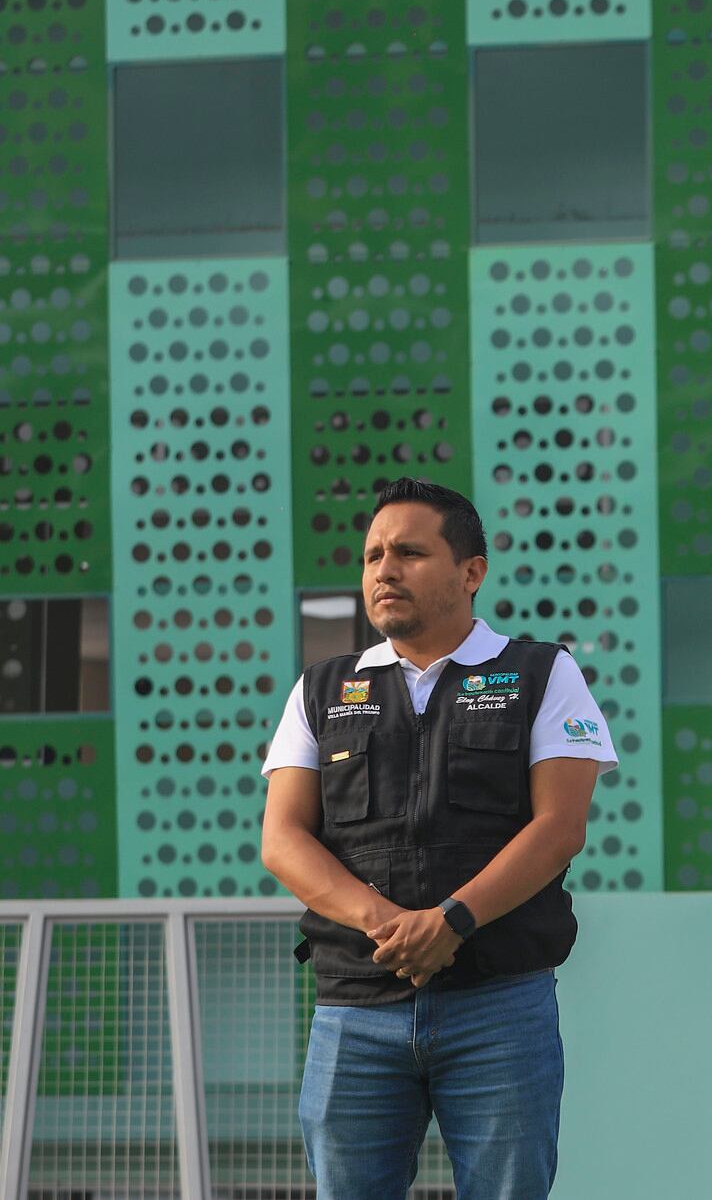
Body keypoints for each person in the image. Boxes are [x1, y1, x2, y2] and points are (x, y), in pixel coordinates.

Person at [260, 477, 617, 1200]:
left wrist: (453, 920)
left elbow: (559, 827)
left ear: (471, 570)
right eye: (372, 556)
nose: (384, 570)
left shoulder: (542, 673)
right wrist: (391, 925)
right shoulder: (322, 688)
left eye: (409, 552)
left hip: (498, 1006)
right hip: (353, 1008)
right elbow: (282, 837)